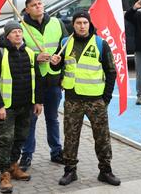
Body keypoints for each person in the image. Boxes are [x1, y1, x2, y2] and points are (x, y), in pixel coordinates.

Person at [49, 11, 120, 186]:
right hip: (73, 100)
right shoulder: (65, 43)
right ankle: (70, 171)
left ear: (89, 24)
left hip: (96, 100)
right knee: (71, 137)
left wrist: (106, 98)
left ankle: (105, 171)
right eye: (78, 23)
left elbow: (111, 72)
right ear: (73, 25)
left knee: (102, 137)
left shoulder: (100, 44)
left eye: (85, 23)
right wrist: (54, 63)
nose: (82, 26)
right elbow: (57, 68)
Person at [0, 20, 44, 193]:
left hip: (26, 106)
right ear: (7, 35)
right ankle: (4, 174)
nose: (18, 34)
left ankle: (13, 166)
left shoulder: (29, 52)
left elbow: (38, 78)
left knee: (20, 138)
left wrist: (38, 101)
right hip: (7, 108)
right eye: (14, 32)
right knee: (6, 140)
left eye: (20, 31)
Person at [19, 0, 68, 171]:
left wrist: (60, 63)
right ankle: (27, 154)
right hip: (32, 82)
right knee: (31, 119)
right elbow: (18, 54)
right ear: (27, 9)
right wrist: (35, 57)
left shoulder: (57, 23)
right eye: (34, 5)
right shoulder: (21, 28)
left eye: (40, 3)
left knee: (52, 118)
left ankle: (56, 152)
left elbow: (67, 50)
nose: (38, 6)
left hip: (54, 80)